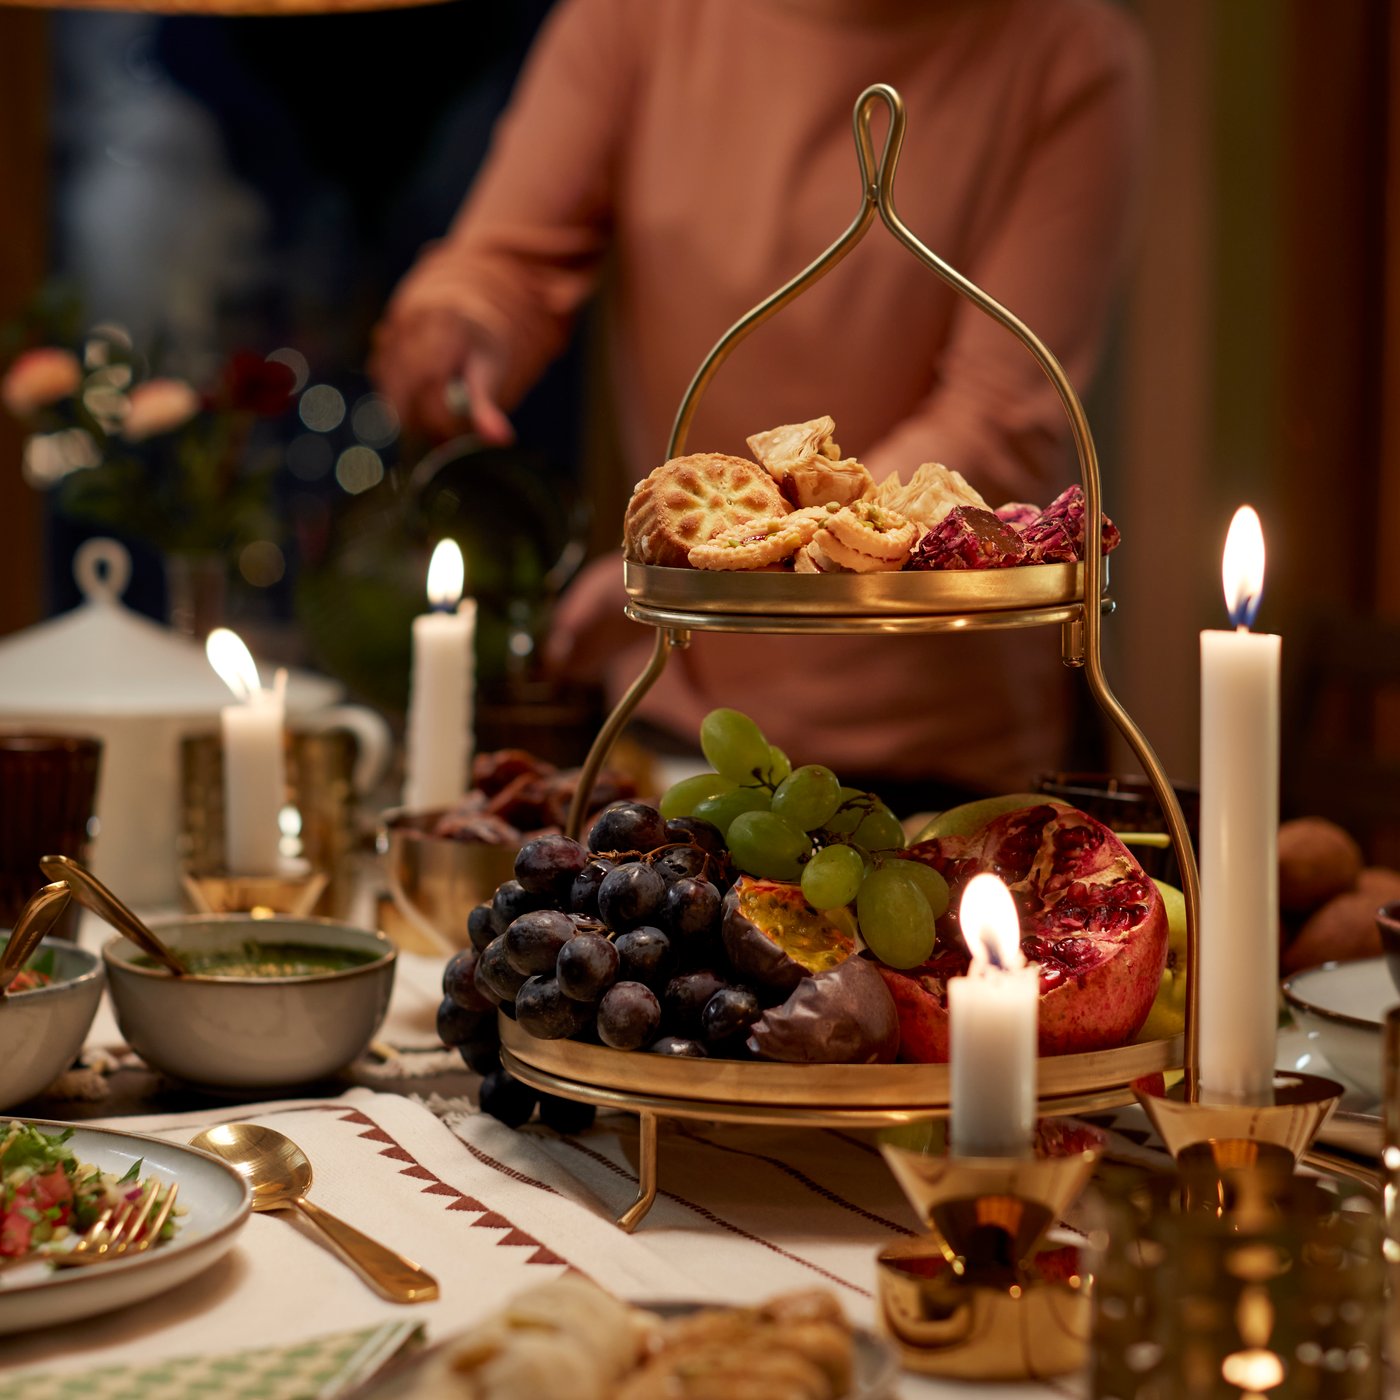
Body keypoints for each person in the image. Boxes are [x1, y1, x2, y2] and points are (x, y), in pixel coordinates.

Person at [371, 0, 1150, 810]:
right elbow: (505, 264)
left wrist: (732, 558)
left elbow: (996, 416)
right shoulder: (635, 19)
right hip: (690, 721)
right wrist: (462, 327)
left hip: (941, 741)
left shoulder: (1069, 52)